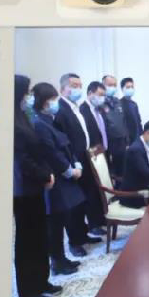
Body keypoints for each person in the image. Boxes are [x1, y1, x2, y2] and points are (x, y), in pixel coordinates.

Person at [13, 76, 59, 297]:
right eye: (27, 92)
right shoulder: (12, 122)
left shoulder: (23, 116)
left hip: (35, 187)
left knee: (40, 237)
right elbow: (23, 160)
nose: (29, 96)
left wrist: (47, 174)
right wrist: (44, 175)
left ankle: (41, 281)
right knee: (27, 242)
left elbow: (37, 152)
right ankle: (29, 291)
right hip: (23, 190)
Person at [32, 82, 86, 278]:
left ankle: (62, 258)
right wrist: (69, 171)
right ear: (44, 102)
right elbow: (51, 153)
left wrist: (76, 164)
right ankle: (57, 262)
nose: (56, 102)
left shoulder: (50, 120)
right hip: (56, 181)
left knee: (63, 220)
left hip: (65, 178)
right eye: (53, 99)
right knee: (55, 225)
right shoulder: (39, 124)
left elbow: (66, 146)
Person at [54, 73, 105, 249]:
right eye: (74, 86)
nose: (78, 89)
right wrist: (72, 164)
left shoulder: (75, 108)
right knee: (74, 205)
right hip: (73, 163)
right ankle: (75, 243)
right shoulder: (60, 110)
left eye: (80, 86)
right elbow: (63, 141)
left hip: (85, 158)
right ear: (63, 88)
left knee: (85, 200)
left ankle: (83, 235)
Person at [101, 74, 130, 179]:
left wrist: (127, 140)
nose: (112, 87)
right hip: (109, 142)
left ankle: (121, 186)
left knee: (122, 169)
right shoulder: (100, 102)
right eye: (110, 85)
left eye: (114, 85)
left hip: (121, 141)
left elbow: (124, 121)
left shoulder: (117, 101)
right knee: (110, 171)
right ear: (103, 86)